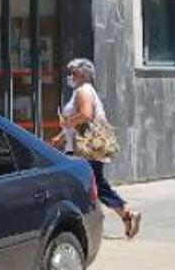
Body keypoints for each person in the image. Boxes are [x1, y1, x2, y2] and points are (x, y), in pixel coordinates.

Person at [52, 57, 142, 239]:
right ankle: (126, 215)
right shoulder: (86, 91)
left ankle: (82, 224)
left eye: (73, 72)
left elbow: (86, 115)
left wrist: (66, 122)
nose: (70, 76)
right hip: (84, 149)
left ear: (83, 74)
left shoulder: (83, 91)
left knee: (82, 185)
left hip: (84, 150)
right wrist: (61, 136)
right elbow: (82, 121)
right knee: (96, 185)